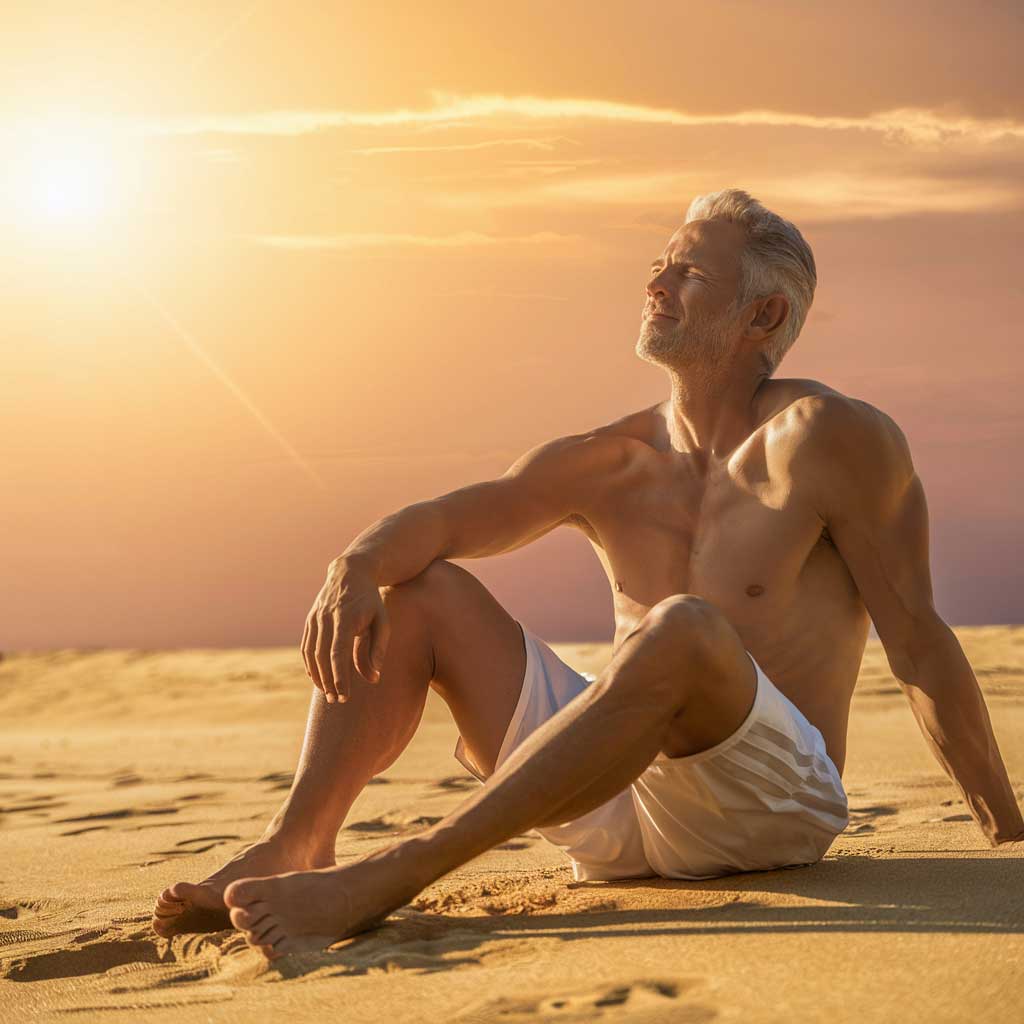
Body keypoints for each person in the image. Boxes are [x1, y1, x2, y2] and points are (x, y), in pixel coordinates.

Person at [151, 187, 1023, 958]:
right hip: (610, 810)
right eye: (659, 266)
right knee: (418, 589)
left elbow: (915, 637)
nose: (655, 285)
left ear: (761, 317)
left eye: (688, 274)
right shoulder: (606, 459)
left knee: (683, 626)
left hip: (764, 809)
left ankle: (394, 873)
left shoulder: (832, 438)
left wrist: (1006, 828)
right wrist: (356, 561)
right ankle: (297, 842)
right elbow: (449, 521)